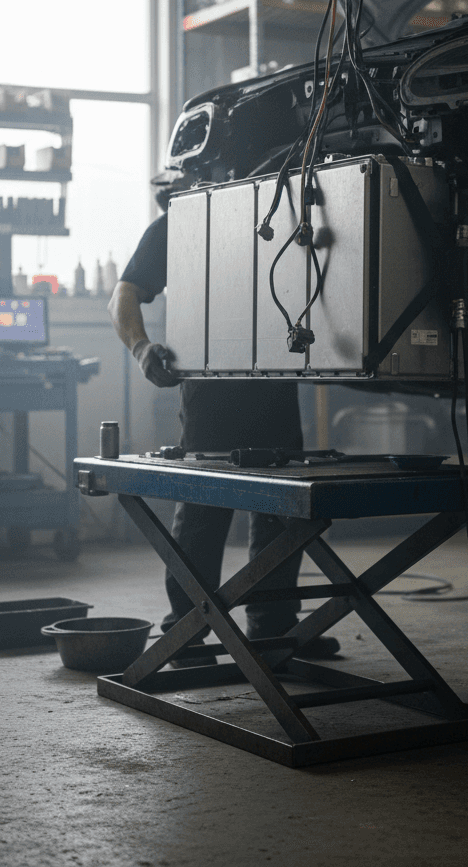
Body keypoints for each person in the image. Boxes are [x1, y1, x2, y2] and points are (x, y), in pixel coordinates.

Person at [108, 195, 339, 665]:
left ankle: (272, 627)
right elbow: (124, 292)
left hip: (275, 383)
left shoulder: (287, 213)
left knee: (281, 511)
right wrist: (140, 348)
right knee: (203, 508)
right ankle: (187, 632)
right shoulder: (183, 222)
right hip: (210, 387)